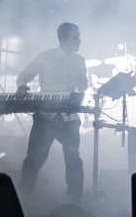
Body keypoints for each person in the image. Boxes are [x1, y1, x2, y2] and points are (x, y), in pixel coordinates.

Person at [16, 22, 89, 204]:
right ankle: (24, 198)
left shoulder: (80, 60)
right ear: (64, 39)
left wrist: (82, 82)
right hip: (45, 116)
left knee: (73, 158)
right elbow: (24, 76)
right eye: (75, 37)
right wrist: (22, 86)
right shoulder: (46, 56)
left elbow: (83, 86)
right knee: (34, 158)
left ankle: (75, 199)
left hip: (69, 117)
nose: (79, 40)